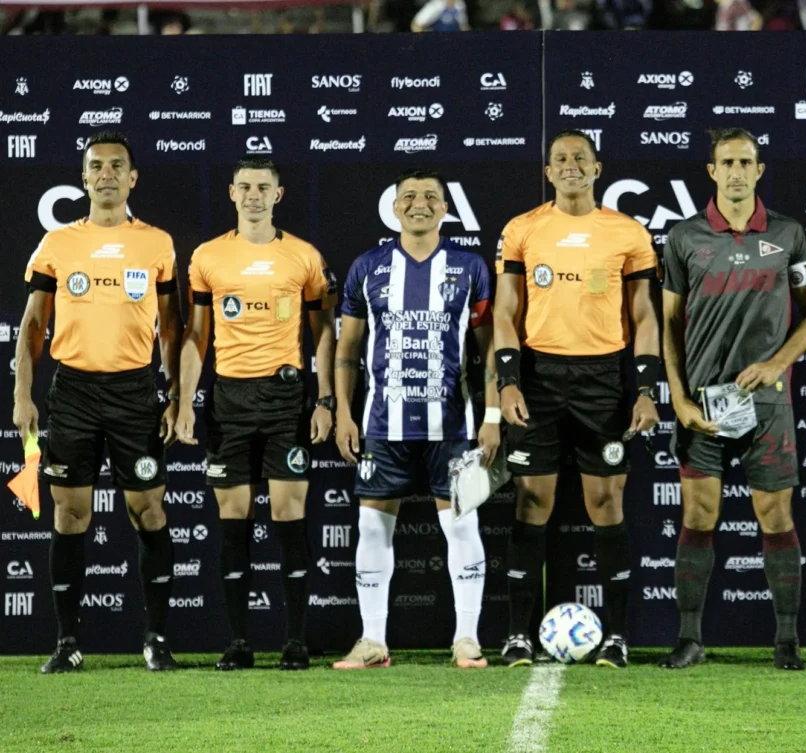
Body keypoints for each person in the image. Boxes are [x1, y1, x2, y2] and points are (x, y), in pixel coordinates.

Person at [13, 131, 182, 673]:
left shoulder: (157, 244)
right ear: (83, 178)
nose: (106, 174)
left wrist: (177, 396)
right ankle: (67, 643)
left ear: (132, 178)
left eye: (116, 166)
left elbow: (172, 330)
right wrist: (21, 394)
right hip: (74, 392)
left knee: (148, 510)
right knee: (69, 513)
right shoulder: (57, 243)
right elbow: (32, 325)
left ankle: (156, 640)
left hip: (135, 392)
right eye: (96, 166)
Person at [494, 129, 660, 669]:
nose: (571, 165)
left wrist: (646, 390)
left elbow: (644, 316)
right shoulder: (521, 229)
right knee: (531, 501)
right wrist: (507, 380)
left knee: (606, 502)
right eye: (561, 159)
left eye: (580, 158)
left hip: (604, 381)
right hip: (538, 378)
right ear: (548, 172)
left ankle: (618, 636)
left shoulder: (628, 232)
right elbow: (505, 312)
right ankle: (517, 635)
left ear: (597, 168)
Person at [659, 127, 806, 671]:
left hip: (768, 405)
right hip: (703, 405)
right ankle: (689, 638)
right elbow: (668, 325)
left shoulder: (789, 234)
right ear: (712, 171)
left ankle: (787, 641)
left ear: (759, 170)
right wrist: (679, 399)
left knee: (775, 516)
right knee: (698, 514)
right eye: (726, 162)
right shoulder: (684, 237)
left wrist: (777, 364)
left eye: (745, 162)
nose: (735, 171)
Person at [332, 169, 500, 670]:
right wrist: (343, 413)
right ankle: (372, 641)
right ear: (395, 208)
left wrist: (492, 414)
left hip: (453, 428)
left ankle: (466, 638)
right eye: (409, 196)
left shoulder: (470, 267)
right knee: (371, 529)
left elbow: (491, 350)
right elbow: (347, 350)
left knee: (463, 527)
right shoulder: (369, 266)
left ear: (446, 208)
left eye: (430, 196)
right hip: (382, 426)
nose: (419, 204)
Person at [175, 158, 337, 671]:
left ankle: (295, 642)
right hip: (229, 402)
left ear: (278, 195)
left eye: (263, 187)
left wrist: (326, 400)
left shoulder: (304, 256)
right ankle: (239, 643)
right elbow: (196, 335)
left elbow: (325, 333)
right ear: (231, 192)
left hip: (286, 400)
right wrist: (184, 402)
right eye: (244, 186)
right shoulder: (207, 257)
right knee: (234, 522)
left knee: (289, 516)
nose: (253, 195)